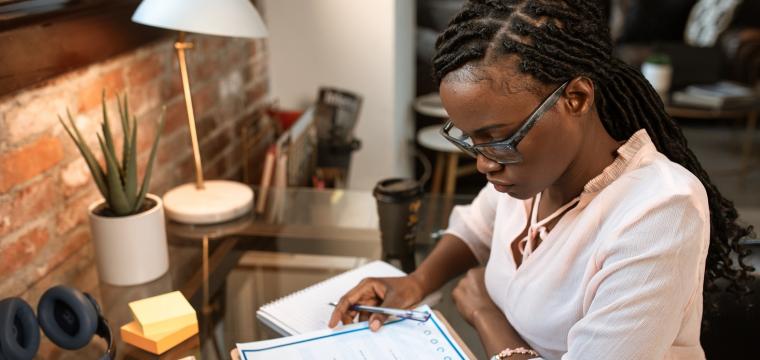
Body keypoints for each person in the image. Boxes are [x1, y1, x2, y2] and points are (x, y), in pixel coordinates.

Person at [329, 1, 754, 359]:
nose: (483, 163)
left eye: (497, 137)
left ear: (577, 98)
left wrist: (483, 313)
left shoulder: (659, 211)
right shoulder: (531, 172)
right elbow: (477, 227)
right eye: (470, 139)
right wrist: (415, 283)